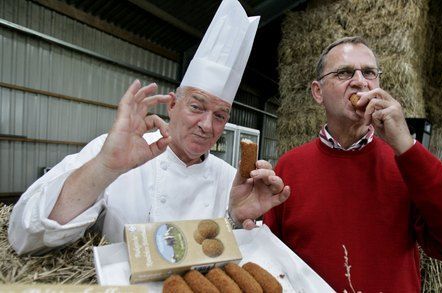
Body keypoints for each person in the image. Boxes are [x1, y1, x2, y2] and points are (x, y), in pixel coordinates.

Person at [8, 0, 290, 255]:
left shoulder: (230, 179)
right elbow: (26, 235)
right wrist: (106, 167)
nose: (207, 125)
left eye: (220, 115)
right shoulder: (116, 151)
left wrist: (234, 220)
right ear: (171, 106)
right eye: (196, 106)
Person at [264, 36, 442, 292]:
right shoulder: (289, 167)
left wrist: (407, 146)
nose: (360, 82)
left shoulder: (406, 164)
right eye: (344, 73)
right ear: (318, 92)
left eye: (369, 73)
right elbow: (267, 259)